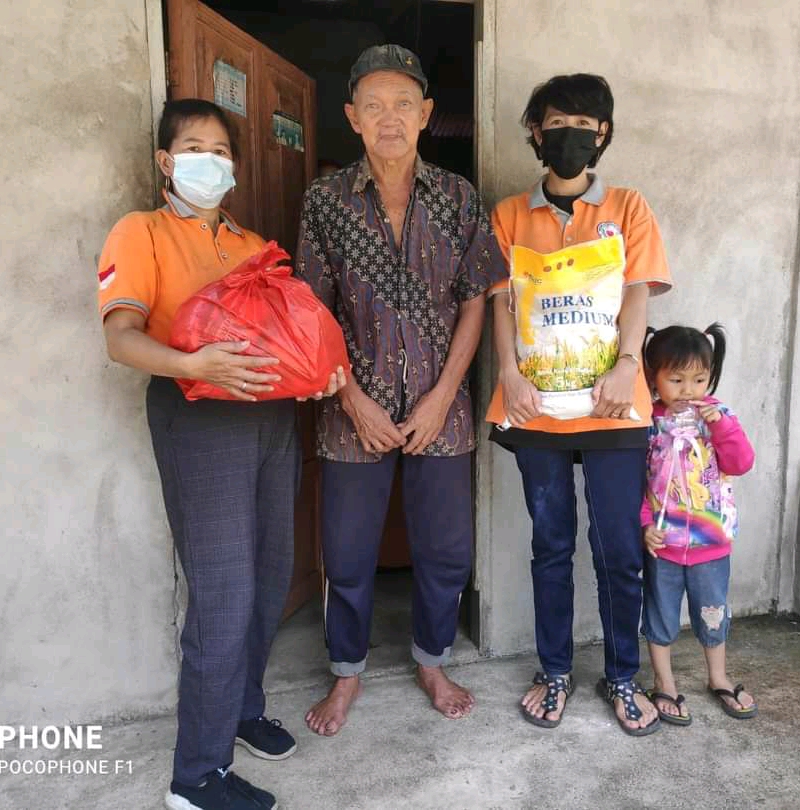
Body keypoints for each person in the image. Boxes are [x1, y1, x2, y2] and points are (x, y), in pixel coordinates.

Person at [97, 98, 344, 810]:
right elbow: (120, 338)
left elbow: (281, 341)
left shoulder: (250, 244)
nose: (209, 161)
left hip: (269, 419)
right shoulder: (141, 232)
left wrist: (313, 375)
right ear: (165, 161)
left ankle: (241, 710)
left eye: (221, 151)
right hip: (198, 420)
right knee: (223, 592)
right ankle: (197, 777)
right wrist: (194, 363)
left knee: (270, 577)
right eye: (193, 148)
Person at [295, 44, 508, 737]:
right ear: (353, 117)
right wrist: (351, 399)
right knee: (347, 552)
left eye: (404, 104)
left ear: (426, 114)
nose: (390, 118)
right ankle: (346, 673)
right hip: (350, 410)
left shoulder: (458, 197)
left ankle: (432, 662)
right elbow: (312, 311)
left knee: (446, 551)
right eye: (374, 105)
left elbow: (476, 298)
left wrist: (444, 395)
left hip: (440, 410)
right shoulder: (325, 201)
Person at [486, 74, 671, 735]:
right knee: (551, 544)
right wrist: (509, 374)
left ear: (604, 135)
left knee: (620, 548)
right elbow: (501, 303)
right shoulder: (509, 216)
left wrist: (628, 366)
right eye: (558, 123)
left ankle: (622, 675)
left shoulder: (629, 207)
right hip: (535, 407)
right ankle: (555, 671)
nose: (571, 135)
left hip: (614, 407)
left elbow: (637, 293)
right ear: (536, 132)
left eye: (586, 126)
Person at [640, 323, 758, 725]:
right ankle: (664, 682)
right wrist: (645, 525)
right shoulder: (648, 422)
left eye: (699, 379)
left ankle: (718, 677)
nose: (688, 390)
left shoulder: (719, 417)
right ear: (653, 376)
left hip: (711, 543)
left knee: (713, 611)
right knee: (660, 614)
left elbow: (740, 463)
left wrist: (721, 425)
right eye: (676, 380)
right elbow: (635, 482)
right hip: (665, 543)